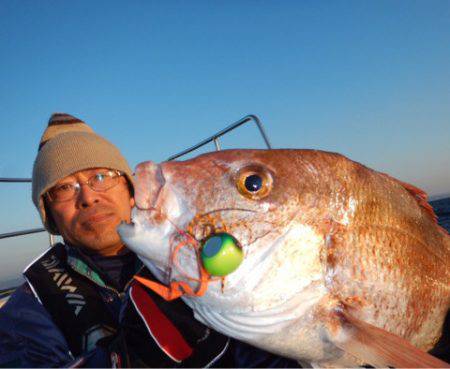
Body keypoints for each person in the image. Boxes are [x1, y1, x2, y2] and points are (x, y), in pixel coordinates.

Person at [0, 113, 299, 367]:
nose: (88, 197)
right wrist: (133, 357)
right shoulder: (27, 311)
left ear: (130, 191)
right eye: (63, 188)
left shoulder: (195, 253)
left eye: (102, 177)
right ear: (50, 215)